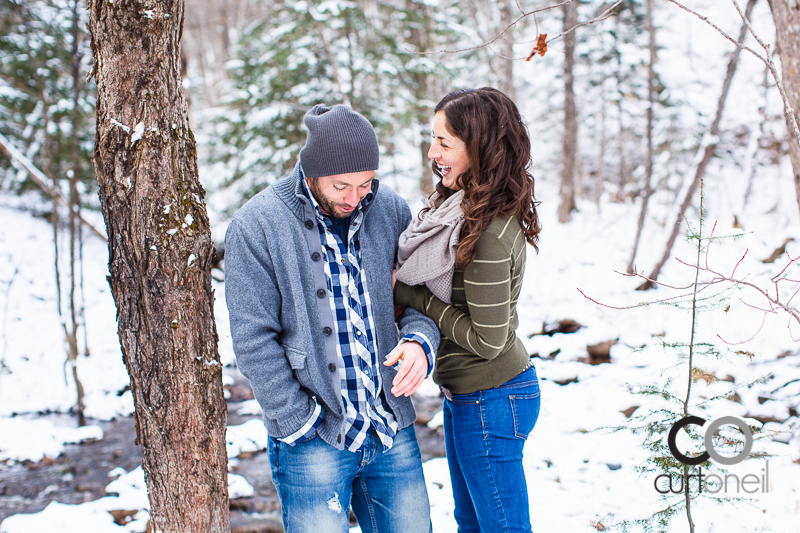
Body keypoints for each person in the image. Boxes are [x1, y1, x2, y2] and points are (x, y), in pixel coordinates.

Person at [225, 103, 440, 533]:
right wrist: (295, 420)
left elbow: (421, 298)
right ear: (310, 171)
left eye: (365, 184)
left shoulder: (391, 211)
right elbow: (252, 337)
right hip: (313, 439)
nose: (354, 197)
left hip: (389, 428)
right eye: (342, 185)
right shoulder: (257, 224)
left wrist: (420, 341)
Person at [393, 87, 542, 533]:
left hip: (493, 395)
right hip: (468, 394)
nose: (432, 152)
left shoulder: (490, 230)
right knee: (471, 524)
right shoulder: (459, 209)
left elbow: (488, 338)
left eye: (444, 142)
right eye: (432, 138)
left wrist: (409, 293)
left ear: (478, 149)